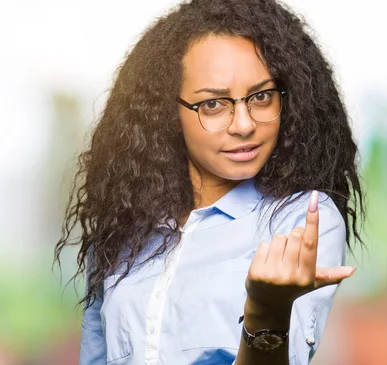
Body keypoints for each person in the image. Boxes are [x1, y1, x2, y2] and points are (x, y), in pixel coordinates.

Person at [54, 0, 365, 364]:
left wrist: (266, 312)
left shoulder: (300, 221)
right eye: (214, 104)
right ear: (169, 113)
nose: (244, 124)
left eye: (261, 97)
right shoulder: (125, 230)